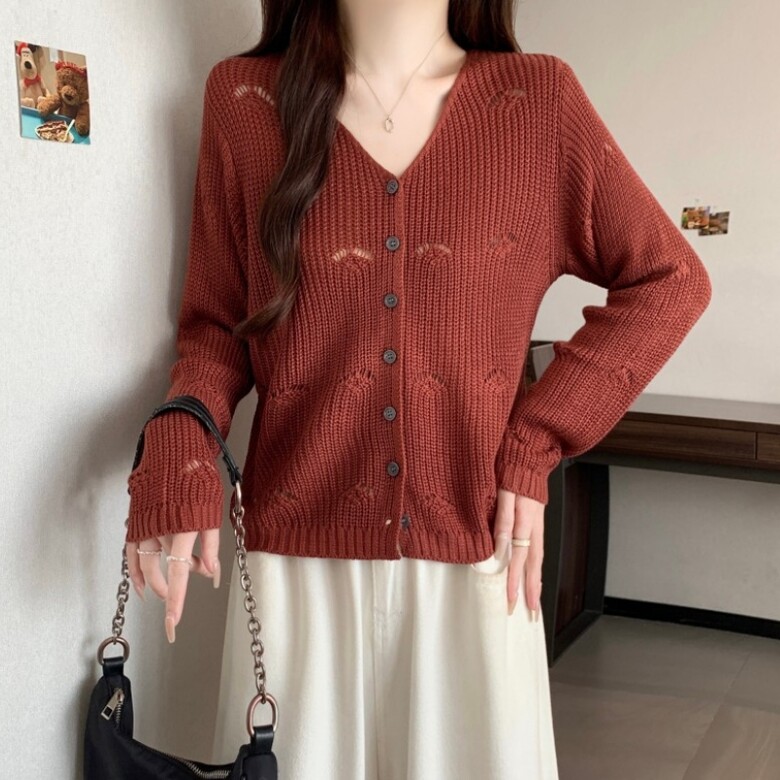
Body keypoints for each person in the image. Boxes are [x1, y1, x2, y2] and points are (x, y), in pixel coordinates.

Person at [122, 0, 713, 777]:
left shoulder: (539, 102)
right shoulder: (244, 101)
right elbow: (216, 330)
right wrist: (180, 438)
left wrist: (534, 443)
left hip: (475, 556)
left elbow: (670, 280)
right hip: (295, 573)